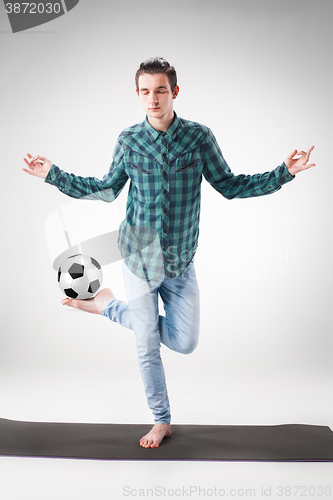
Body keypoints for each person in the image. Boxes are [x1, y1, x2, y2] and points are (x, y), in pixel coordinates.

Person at [23, 57, 315, 449]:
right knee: (146, 346)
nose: (153, 98)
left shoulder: (199, 137)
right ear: (138, 95)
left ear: (174, 92)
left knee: (184, 341)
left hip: (179, 262)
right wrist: (52, 174)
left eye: (160, 90)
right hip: (138, 259)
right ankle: (161, 420)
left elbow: (229, 185)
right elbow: (106, 189)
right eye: (145, 91)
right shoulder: (129, 140)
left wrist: (284, 172)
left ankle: (107, 305)